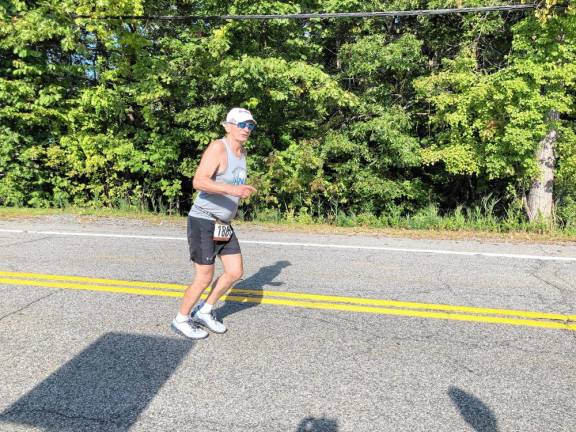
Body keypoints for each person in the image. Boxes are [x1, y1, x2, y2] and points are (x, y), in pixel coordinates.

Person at [171, 108, 257, 339]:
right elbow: (199, 181)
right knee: (204, 277)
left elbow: (230, 187)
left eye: (250, 126)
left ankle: (205, 310)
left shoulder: (243, 153)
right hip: (203, 220)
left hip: (223, 223)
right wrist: (233, 190)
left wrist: (238, 196)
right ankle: (181, 319)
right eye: (241, 124)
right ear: (228, 126)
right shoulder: (219, 148)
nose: (246, 129)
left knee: (234, 271)